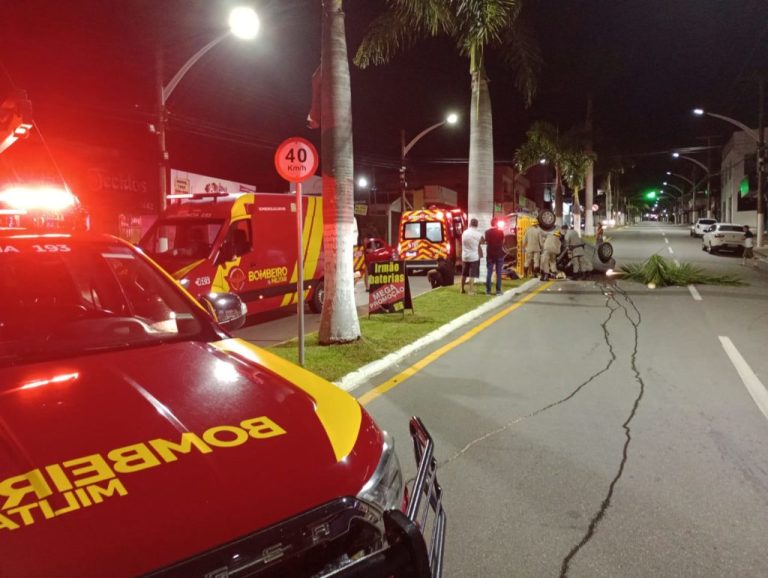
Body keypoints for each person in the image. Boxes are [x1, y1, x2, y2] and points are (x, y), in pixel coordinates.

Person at [461, 218, 483, 294]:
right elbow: (483, 241)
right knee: (472, 275)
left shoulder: (464, 232)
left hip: (464, 256)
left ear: (470, 224)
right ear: (477, 225)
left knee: (464, 274)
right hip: (474, 257)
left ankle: (462, 289)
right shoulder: (478, 234)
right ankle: (470, 291)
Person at [484, 217, 505, 295]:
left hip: (490, 254)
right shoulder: (501, 232)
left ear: (491, 223)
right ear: (496, 223)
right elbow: (503, 241)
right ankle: (498, 291)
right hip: (499, 254)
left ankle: (488, 291)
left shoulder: (487, 232)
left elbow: (486, 241)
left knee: (489, 272)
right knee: (498, 273)